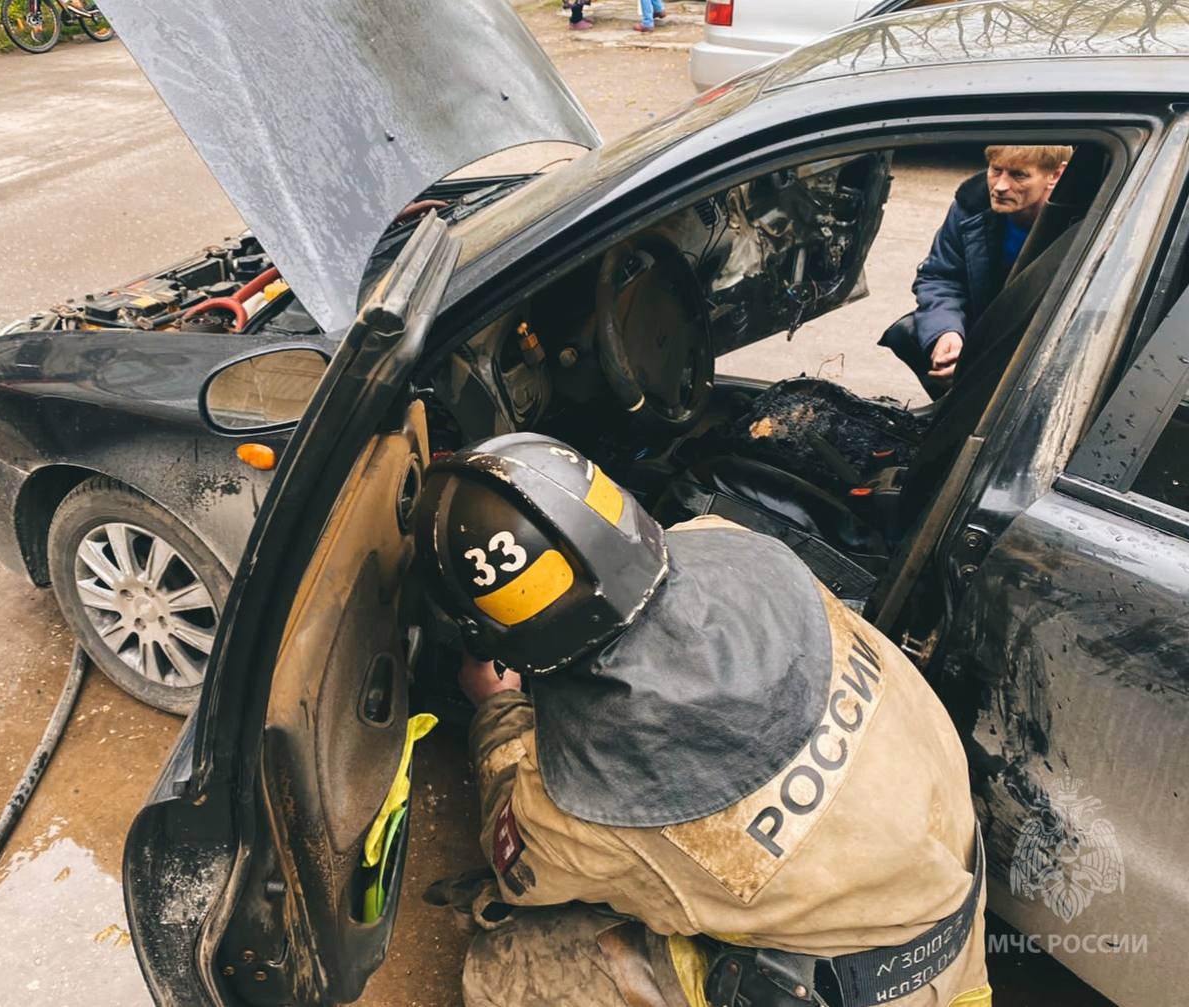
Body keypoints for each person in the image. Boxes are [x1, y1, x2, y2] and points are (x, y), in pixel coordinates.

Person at [416, 433, 991, 1007]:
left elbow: (516, 865)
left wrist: (496, 707)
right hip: (955, 914)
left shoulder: (581, 807)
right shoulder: (734, 545)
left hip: (870, 993)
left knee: (506, 971)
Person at [881, 145, 1071, 396]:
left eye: (1019, 175)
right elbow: (941, 276)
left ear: (1055, 176)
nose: (1000, 186)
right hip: (987, 321)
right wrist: (947, 333)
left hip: (1042, 337)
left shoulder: (1080, 221)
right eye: (996, 170)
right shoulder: (971, 206)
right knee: (909, 333)